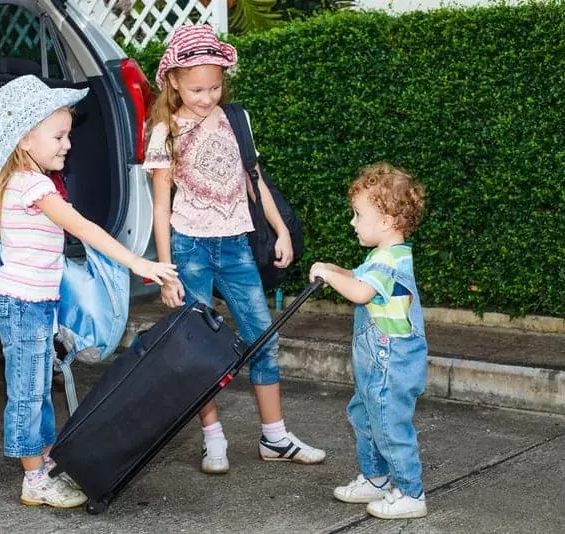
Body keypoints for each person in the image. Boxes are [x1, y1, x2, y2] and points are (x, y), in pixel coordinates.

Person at [0, 75, 178, 508]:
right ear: (25, 139)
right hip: (24, 306)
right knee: (28, 393)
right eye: (59, 135)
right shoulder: (34, 186)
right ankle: (34, 478)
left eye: (67, 134)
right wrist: (138, 262)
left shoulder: (29, 182)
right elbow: (83, 228)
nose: (67, 144)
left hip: (32, 305)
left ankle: (43, 462)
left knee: (35, 388)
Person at [144, 24, 326, 475]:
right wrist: (165, 269)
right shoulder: (165, 130)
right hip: (189, 248)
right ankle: (213, 439)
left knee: (263, 338)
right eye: (196, 88)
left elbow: (254, 179)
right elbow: (160, 205)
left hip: (236, 246)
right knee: (200, 348)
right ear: (173, 82)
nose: (207, 97)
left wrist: (281, 230)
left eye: (215, 86)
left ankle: (275, 437)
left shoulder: (235, 119)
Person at [309, 162, 428, 519]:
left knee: (390, 424)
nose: (353, 223)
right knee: (365, 415)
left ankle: (411, 492)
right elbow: (358, 277)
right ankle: (376, 478)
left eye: (358, 215)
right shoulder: (380, 257)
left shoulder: (392, 264)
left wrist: (331, 277)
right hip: (376, 364)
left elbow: (360, 292)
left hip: (393, 364)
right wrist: (332, 269)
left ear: (388, 220)